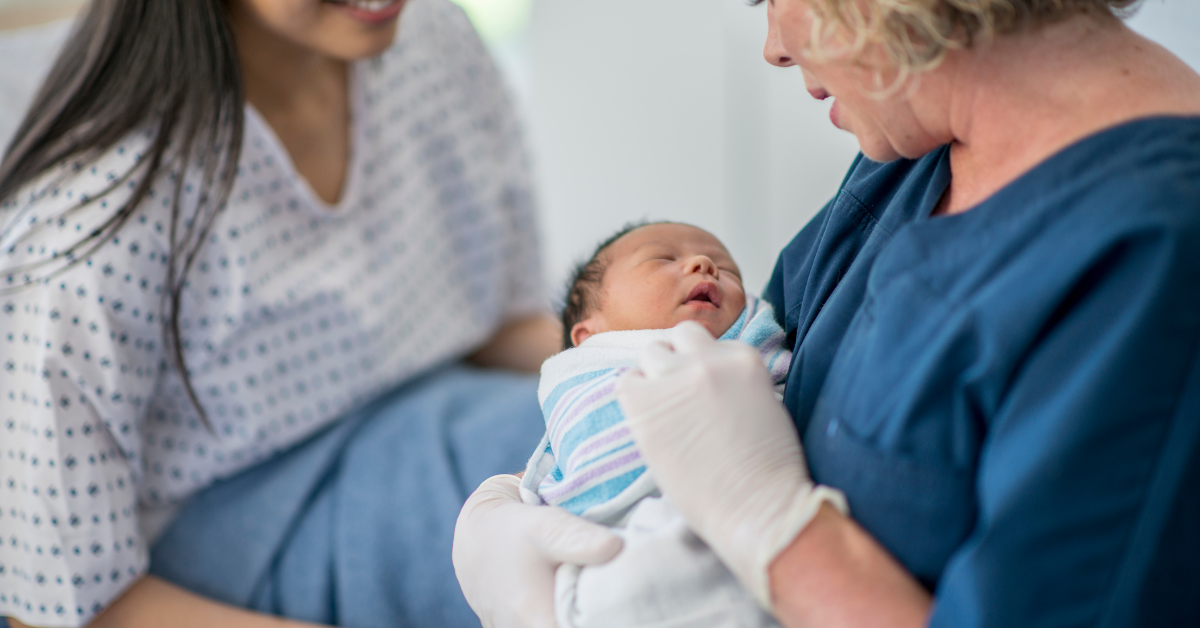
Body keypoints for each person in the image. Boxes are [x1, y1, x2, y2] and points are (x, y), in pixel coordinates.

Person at [451, 0, 1200, 626]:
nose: (774, 48)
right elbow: (711, 384)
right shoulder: (910, 145)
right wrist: (539, 503)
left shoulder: (1155, 255)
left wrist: (777, 530)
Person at [0, 1, 559, 627]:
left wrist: (638, 350)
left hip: (437, 419)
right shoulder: (94, 223)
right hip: (230, 547)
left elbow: (500, 325)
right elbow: (53, 607)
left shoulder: (431, 41)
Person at [516, 222, 795, 627]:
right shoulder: (578, 374)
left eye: (727, 269)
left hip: (729, 534)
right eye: (662, 259)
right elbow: (556, 465)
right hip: (606, 554)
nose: (704, 265)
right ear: (589, 333)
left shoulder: (747, 345)